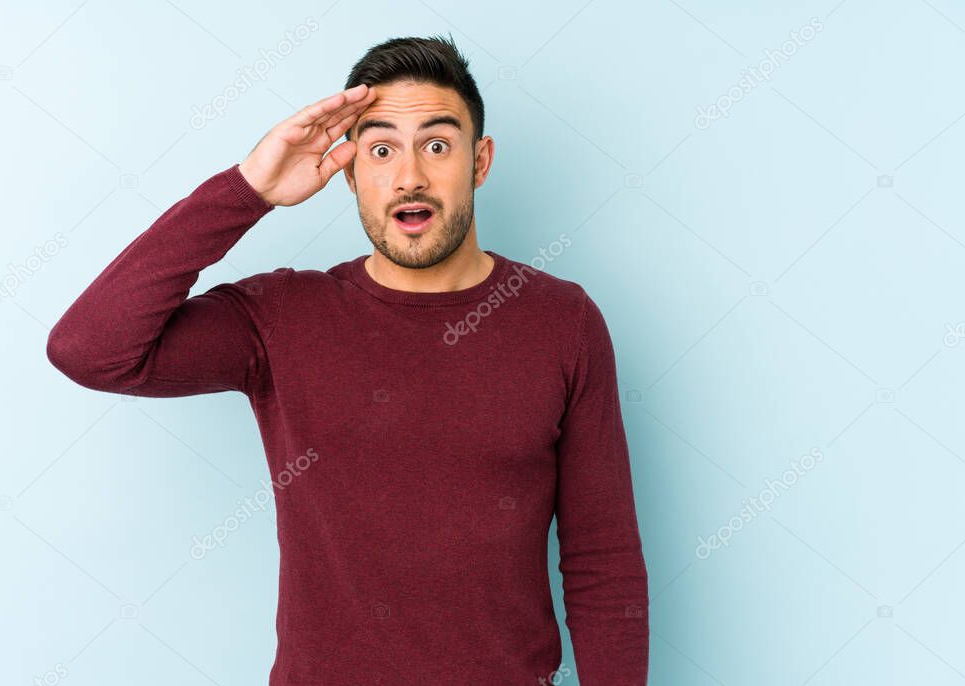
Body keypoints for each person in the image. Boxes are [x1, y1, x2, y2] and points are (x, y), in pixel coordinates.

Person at [46, 34, 649, 685]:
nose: (410, 174)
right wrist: (248, 188)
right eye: (382, 149)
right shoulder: (282, 316)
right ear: (350, 170)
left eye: (437, 145)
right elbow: (90, 350)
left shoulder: (563, 321)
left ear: (480, 162)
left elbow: (602, 562)